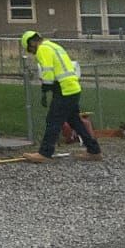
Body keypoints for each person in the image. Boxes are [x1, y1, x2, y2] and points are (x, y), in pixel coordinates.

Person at [20, 30, 102, 163]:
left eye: (29, 49)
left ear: (31, 43)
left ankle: (45, 153)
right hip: (73, 88)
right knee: (75, 121)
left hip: (63, 90)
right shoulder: (54, 46)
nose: (31, 52)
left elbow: (47, 71)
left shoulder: (42, 49)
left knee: (53, 120)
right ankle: (94, 151)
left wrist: (45, 88)